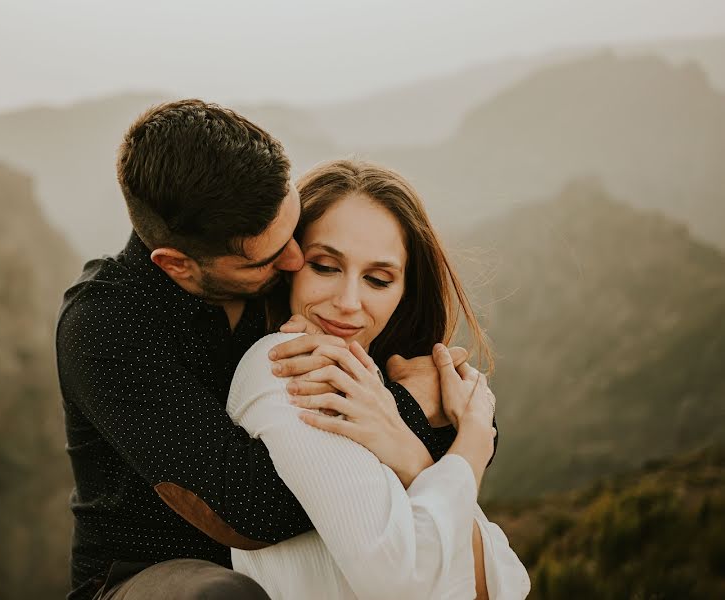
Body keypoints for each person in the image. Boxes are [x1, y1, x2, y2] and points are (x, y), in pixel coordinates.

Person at [56, 100, 477, 600]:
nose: (296, 257)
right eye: (270, 256)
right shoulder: (109, 328)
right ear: (178, 265)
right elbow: (251, 510)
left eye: (293, 229)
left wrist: (438, 410)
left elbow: (456, 408)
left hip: (308, 561)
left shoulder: (293, 270)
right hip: (155, 573)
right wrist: (404, 409)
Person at [226, 160, 530, 599]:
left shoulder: (372, 390)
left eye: (377, 279)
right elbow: (400, 581)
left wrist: (413, 457)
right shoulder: (287, 365)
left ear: (406, 290)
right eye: (325, 267)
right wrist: (473, 444)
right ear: (287, 263)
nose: (348, 302)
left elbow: (497, 589)